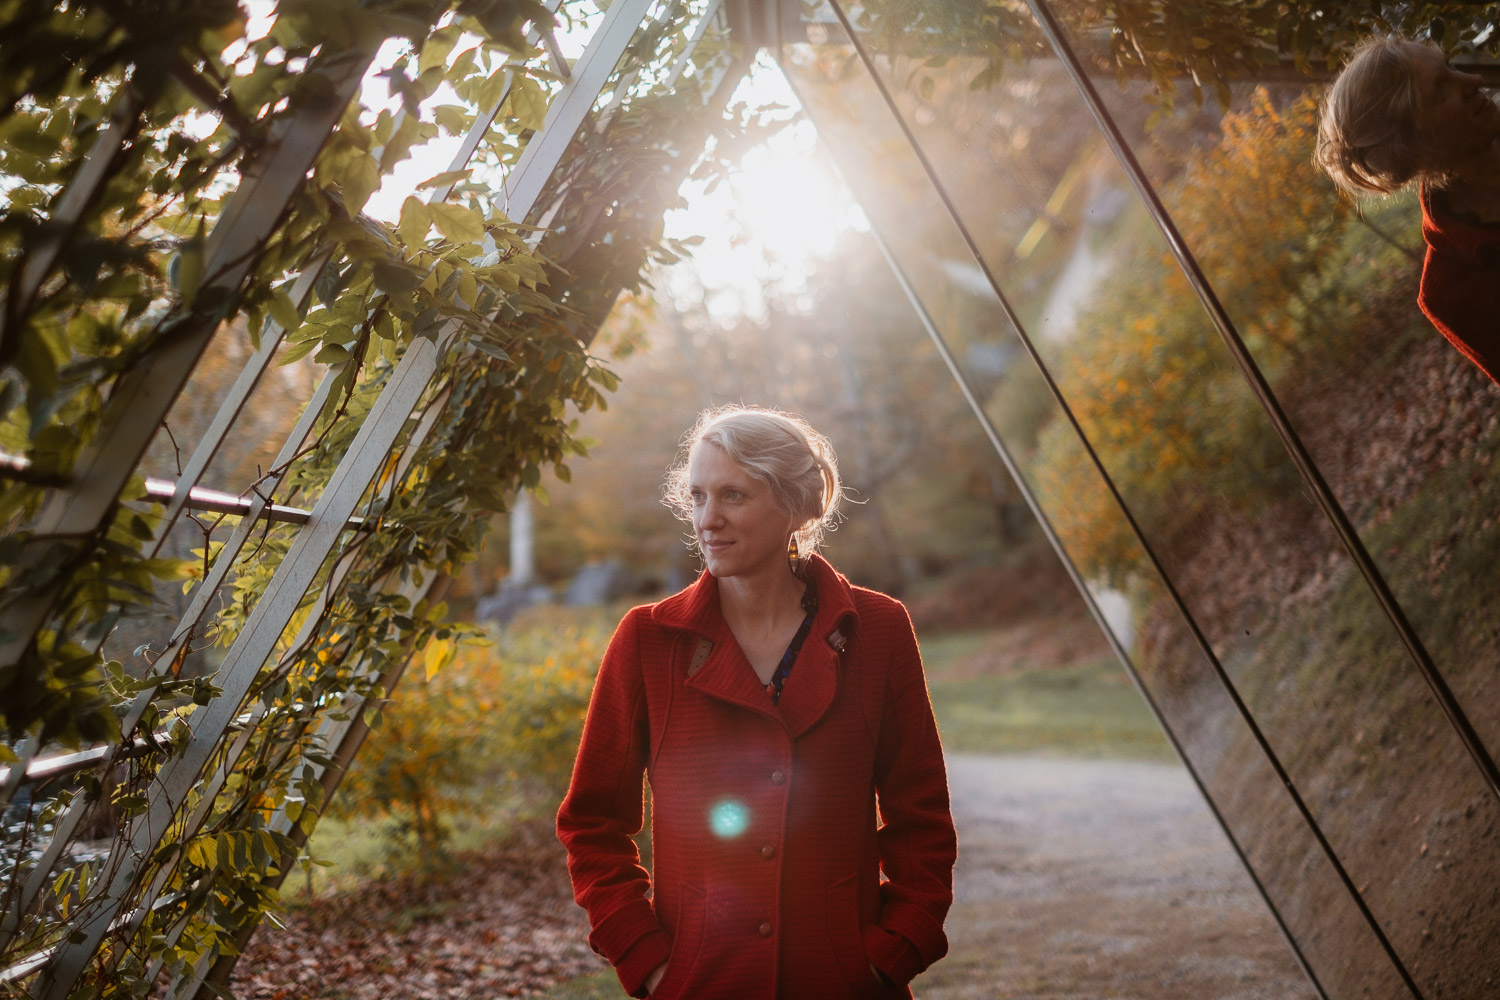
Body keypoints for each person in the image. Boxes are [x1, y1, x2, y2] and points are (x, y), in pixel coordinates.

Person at [556, 406, 957, 999]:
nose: (706, 519)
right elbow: (591, 823)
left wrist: (890, 953)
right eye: (697, 496)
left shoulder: (879, 630)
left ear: (797, 506)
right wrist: (648, 960)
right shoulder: (647, 641)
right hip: (698, 986)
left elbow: (920, 818)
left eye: (733, 496)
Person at [1315, 35, 1500, 386]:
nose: (1474, 81)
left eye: (1451, 67)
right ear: (1415, 141)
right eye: (1441, 89)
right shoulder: (1450, 293)